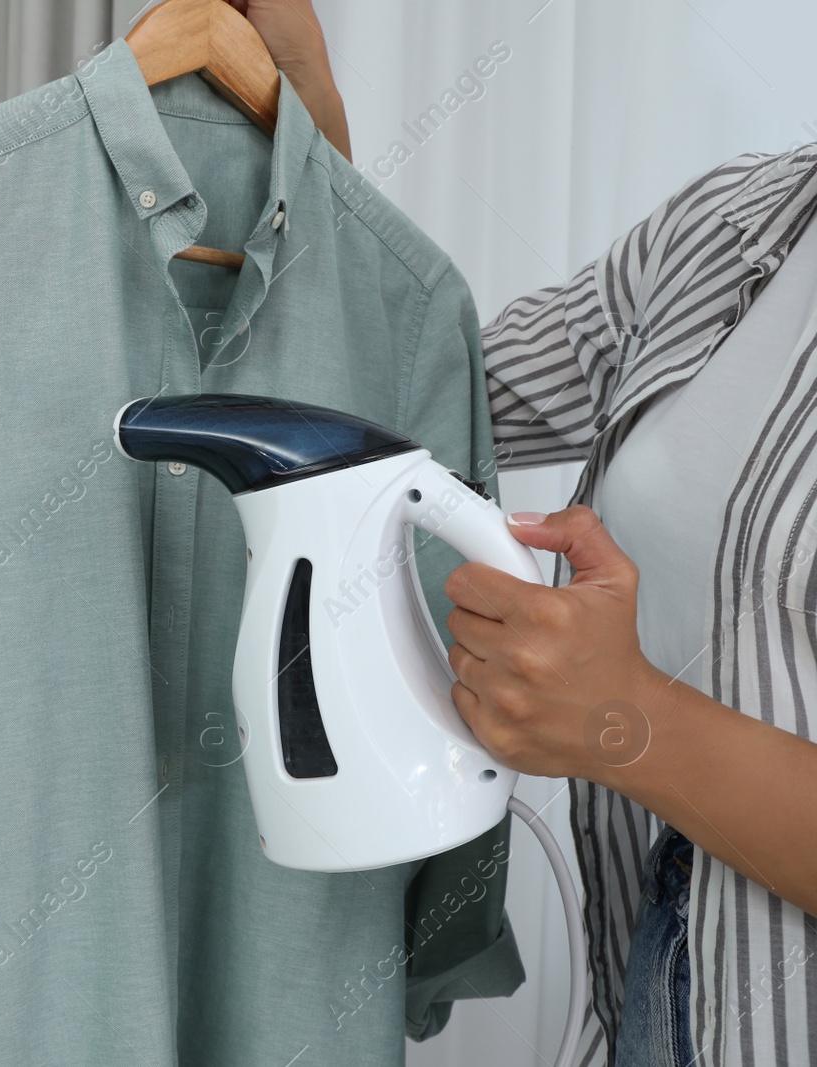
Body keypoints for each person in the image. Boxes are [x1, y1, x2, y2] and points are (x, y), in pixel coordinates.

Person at [220, 2, 817, 1066]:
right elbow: (425, 397)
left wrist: (629, 719)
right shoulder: (739, 224)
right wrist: (316, 146)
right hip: (665, 957)